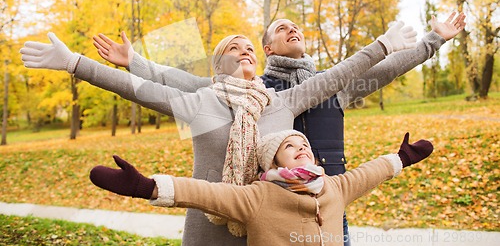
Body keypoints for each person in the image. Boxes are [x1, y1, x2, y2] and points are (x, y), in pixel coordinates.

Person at [93, 12, 465, 245]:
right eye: (281, 28)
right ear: (268, 48)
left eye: (296, 26)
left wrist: (434, 40)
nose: (293, 29)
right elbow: (178, 82)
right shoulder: (251, 92)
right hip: (265, 208)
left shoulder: (332, 85)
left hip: (327, 201)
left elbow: (386, 68)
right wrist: (135, 62)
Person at [20, 26, 414, 245]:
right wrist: (74, 62)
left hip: (272, 231)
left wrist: (381, 46)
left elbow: (339, 75)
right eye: (234, 48)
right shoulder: (201, 102)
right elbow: (133, 88)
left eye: (249, 48)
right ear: (217, 64)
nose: (244, 51)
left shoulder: (281, 103)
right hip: (209, 229)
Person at [89, 130, 433, 246]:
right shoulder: (258, 195)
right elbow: (203, 193)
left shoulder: (334, 187)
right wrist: (145, 186)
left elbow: (371, 172)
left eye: (304, 143)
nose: (301, 147)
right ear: (274, 164)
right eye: (290, 146)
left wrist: (402, 157)